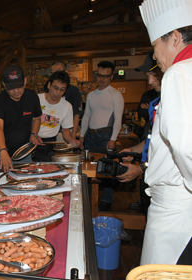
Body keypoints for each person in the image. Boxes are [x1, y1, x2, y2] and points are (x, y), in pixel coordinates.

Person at [139, 0, 192, 265]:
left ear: (174, 38)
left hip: (176, 209)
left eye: (154, 47)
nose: (156, 57)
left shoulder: (178, 73)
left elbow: (185, 146)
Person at [116, 51, 162, 213]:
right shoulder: (157, 102)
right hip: (150, 172)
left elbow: (166, 150)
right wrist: (134, 150)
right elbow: (153, 139)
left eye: (154, 75)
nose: (150, 82)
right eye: (147, 76)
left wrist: (141, 167)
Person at [80, 60, 124, 211]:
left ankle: (106, 200)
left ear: (111, 76)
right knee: (86, 168)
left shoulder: (115, 94)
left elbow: (118, 119)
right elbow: (86, 116)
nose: (102, 79)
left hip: (106, 135)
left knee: (107, 170)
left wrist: (113, 139)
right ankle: (87, 197)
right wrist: (81, 136)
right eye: (99, 75)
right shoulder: (91, 95)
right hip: (90, 136)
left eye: (105, 76)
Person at [0, 65, 42, 172]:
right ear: (4, 85)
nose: (16, 91)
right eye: (11, 88)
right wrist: (3, 150)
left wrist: (34, 133)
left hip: (23, 152)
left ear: (25, 81)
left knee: (26, 183)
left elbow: (36, 118)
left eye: (19, 86)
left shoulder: (32, 97)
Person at [33, 71, 79, 162]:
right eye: (56, 88)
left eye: (62, 89)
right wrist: (34, 134)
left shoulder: (67, 106)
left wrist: (71, 140)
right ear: (49, 85)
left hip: (50, 145)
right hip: (32, 141)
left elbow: (65, 130)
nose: (58, 92)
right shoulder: (36, 99)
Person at [43, 61, 82, 139]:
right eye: (52, 72)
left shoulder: (73, 90)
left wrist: (73, 136)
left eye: (58, 71)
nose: (58, 92)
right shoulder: (48, 87)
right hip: (49, 130)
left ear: (66, 71)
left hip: (66, 130)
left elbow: (76, 115)